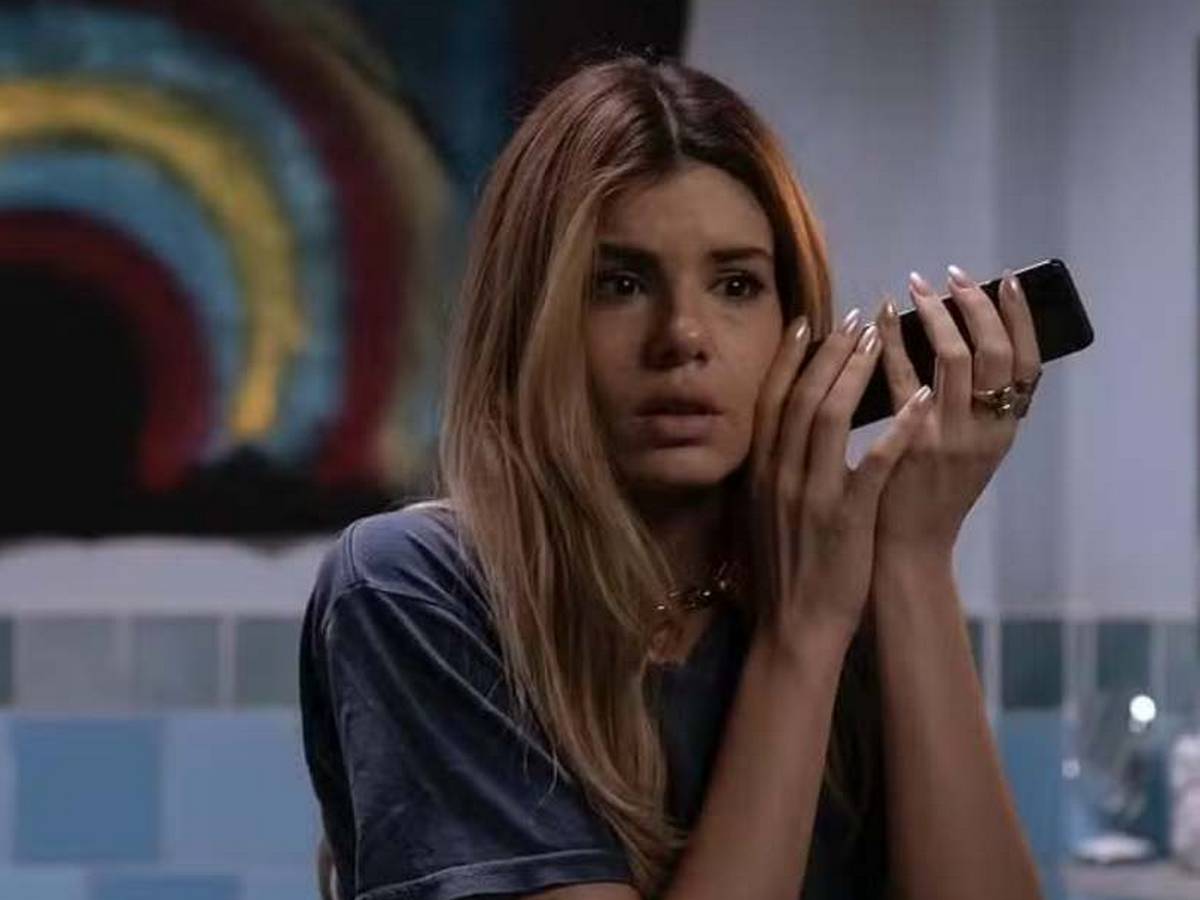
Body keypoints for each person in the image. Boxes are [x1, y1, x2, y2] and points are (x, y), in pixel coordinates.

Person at [299, 54, 1046, 900]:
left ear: (792, 323)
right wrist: (798, 641)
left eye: (736, 284)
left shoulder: (847, 590)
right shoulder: (413, 586)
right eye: (619, 284)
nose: (684, 336)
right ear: (530, 316)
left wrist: (913, 559)